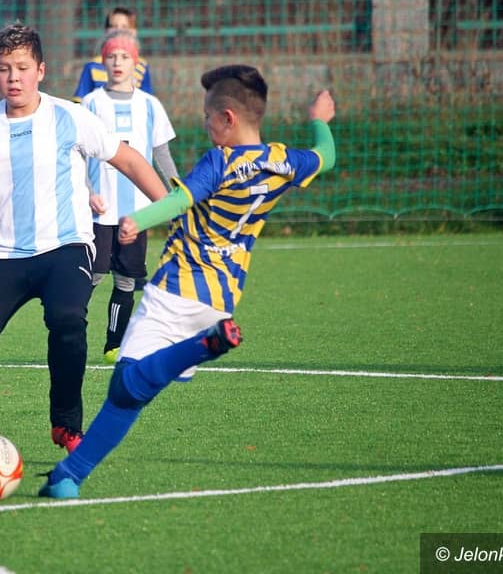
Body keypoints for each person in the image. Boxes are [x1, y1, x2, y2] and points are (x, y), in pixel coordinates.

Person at [39, 65, 337, 498]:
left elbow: (181, 199)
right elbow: (327, 155)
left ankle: (206, 346)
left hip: (176, 288)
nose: (205, 124)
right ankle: (68, 476)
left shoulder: (221, 160)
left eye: (208, 116)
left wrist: (137, 220)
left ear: (228, 118)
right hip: (220, 299)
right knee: (130, 394)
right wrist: (319, 120)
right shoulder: (285, 160)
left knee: (126, 386)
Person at [0, 22, 168, 469]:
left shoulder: (69, 117)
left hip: (65, 248)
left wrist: (171, 209)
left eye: (22, 67)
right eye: (3, 69)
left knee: (68, 319)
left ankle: (67, 426)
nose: (13, 77)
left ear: (41, 70)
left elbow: (130, 160)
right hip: (0, 255)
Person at [81, 29, 179, 364]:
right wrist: (88, 191)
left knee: (126, 278)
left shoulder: (150, 105)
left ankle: (114, 344)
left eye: (124, 56)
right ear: (103, 62)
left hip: (138, 212)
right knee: (93, 274)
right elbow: (77, 153)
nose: (117, 62)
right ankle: (71, 334)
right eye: (111, 56)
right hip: (99, 209)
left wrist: (177, 195)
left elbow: (161, 155)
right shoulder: (91, 103)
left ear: (136, 63)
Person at [72, 6, 153, 103]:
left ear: (134, 31)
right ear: (106, 30)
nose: (119, 30)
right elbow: (79, 102)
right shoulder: (92, 66)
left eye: (124, 27)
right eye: (113, 26)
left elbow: (147, 101)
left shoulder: (142, 66)